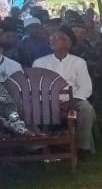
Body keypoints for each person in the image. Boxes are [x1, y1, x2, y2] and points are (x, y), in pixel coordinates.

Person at [32, 27, 95, 156]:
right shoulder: (40, 63)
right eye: (51, 39)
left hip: (73, 100)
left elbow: (85, 87)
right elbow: (36, 89)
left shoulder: (78, 62)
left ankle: (82, 147)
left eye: (57, 38)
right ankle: (37, 147)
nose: (52, 41)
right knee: (26, 109)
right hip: (47, 102)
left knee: (87, 109)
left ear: (68, 43)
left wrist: (70, 103)